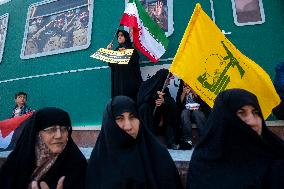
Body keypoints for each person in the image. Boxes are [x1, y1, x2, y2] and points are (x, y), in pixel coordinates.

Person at [186, 89, 284, 189]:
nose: (252, 121)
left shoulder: (276, 161)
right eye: (241, 113)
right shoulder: (204, 164)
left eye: (255, 112)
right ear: (225, 120)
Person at [85, 96, 183, 189]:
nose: (128, 126)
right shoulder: (98, 162)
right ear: (109, 123)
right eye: (120, 118)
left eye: (132, 117)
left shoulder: (159, 156)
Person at [0, 107, 87, 189]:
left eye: (64, 129)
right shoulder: (16, 162)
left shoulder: (76, 164)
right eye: (51, 129)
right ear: (37, 134)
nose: (59, 135)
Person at [137, 69, 179, 149]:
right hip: (148, 118)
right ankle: (148, 141)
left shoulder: (164, 89)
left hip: (159, 119)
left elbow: (171, 101)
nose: (169, 82)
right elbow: (140, 99)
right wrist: (154, 98)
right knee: (144, 107)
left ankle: (171, 141)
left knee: (171, 107)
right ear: (163, 78)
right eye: (168, 80)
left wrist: (164, 101)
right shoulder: (146, 85)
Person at [107, 29, 142, 101]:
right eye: (118, 36)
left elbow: (135, 63)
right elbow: (111, 64)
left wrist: (125, 53)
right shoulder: (116, 50)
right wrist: (109, 51)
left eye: (121, 35)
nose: (119, 37)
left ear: (126, 37)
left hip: (129, 81)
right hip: (118, 81)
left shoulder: (131, 49)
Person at [176, 80, 211, 150]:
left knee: (197, 113)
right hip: (186, 111)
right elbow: (178, 105)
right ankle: (187, 140)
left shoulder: (198, 88)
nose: (187, 83)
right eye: (185, 82)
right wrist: (183, 93)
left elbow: (204, 104)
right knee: (184, 113)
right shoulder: (182, 89)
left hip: (197, 110)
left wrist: (194, 92)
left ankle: (204, 139)